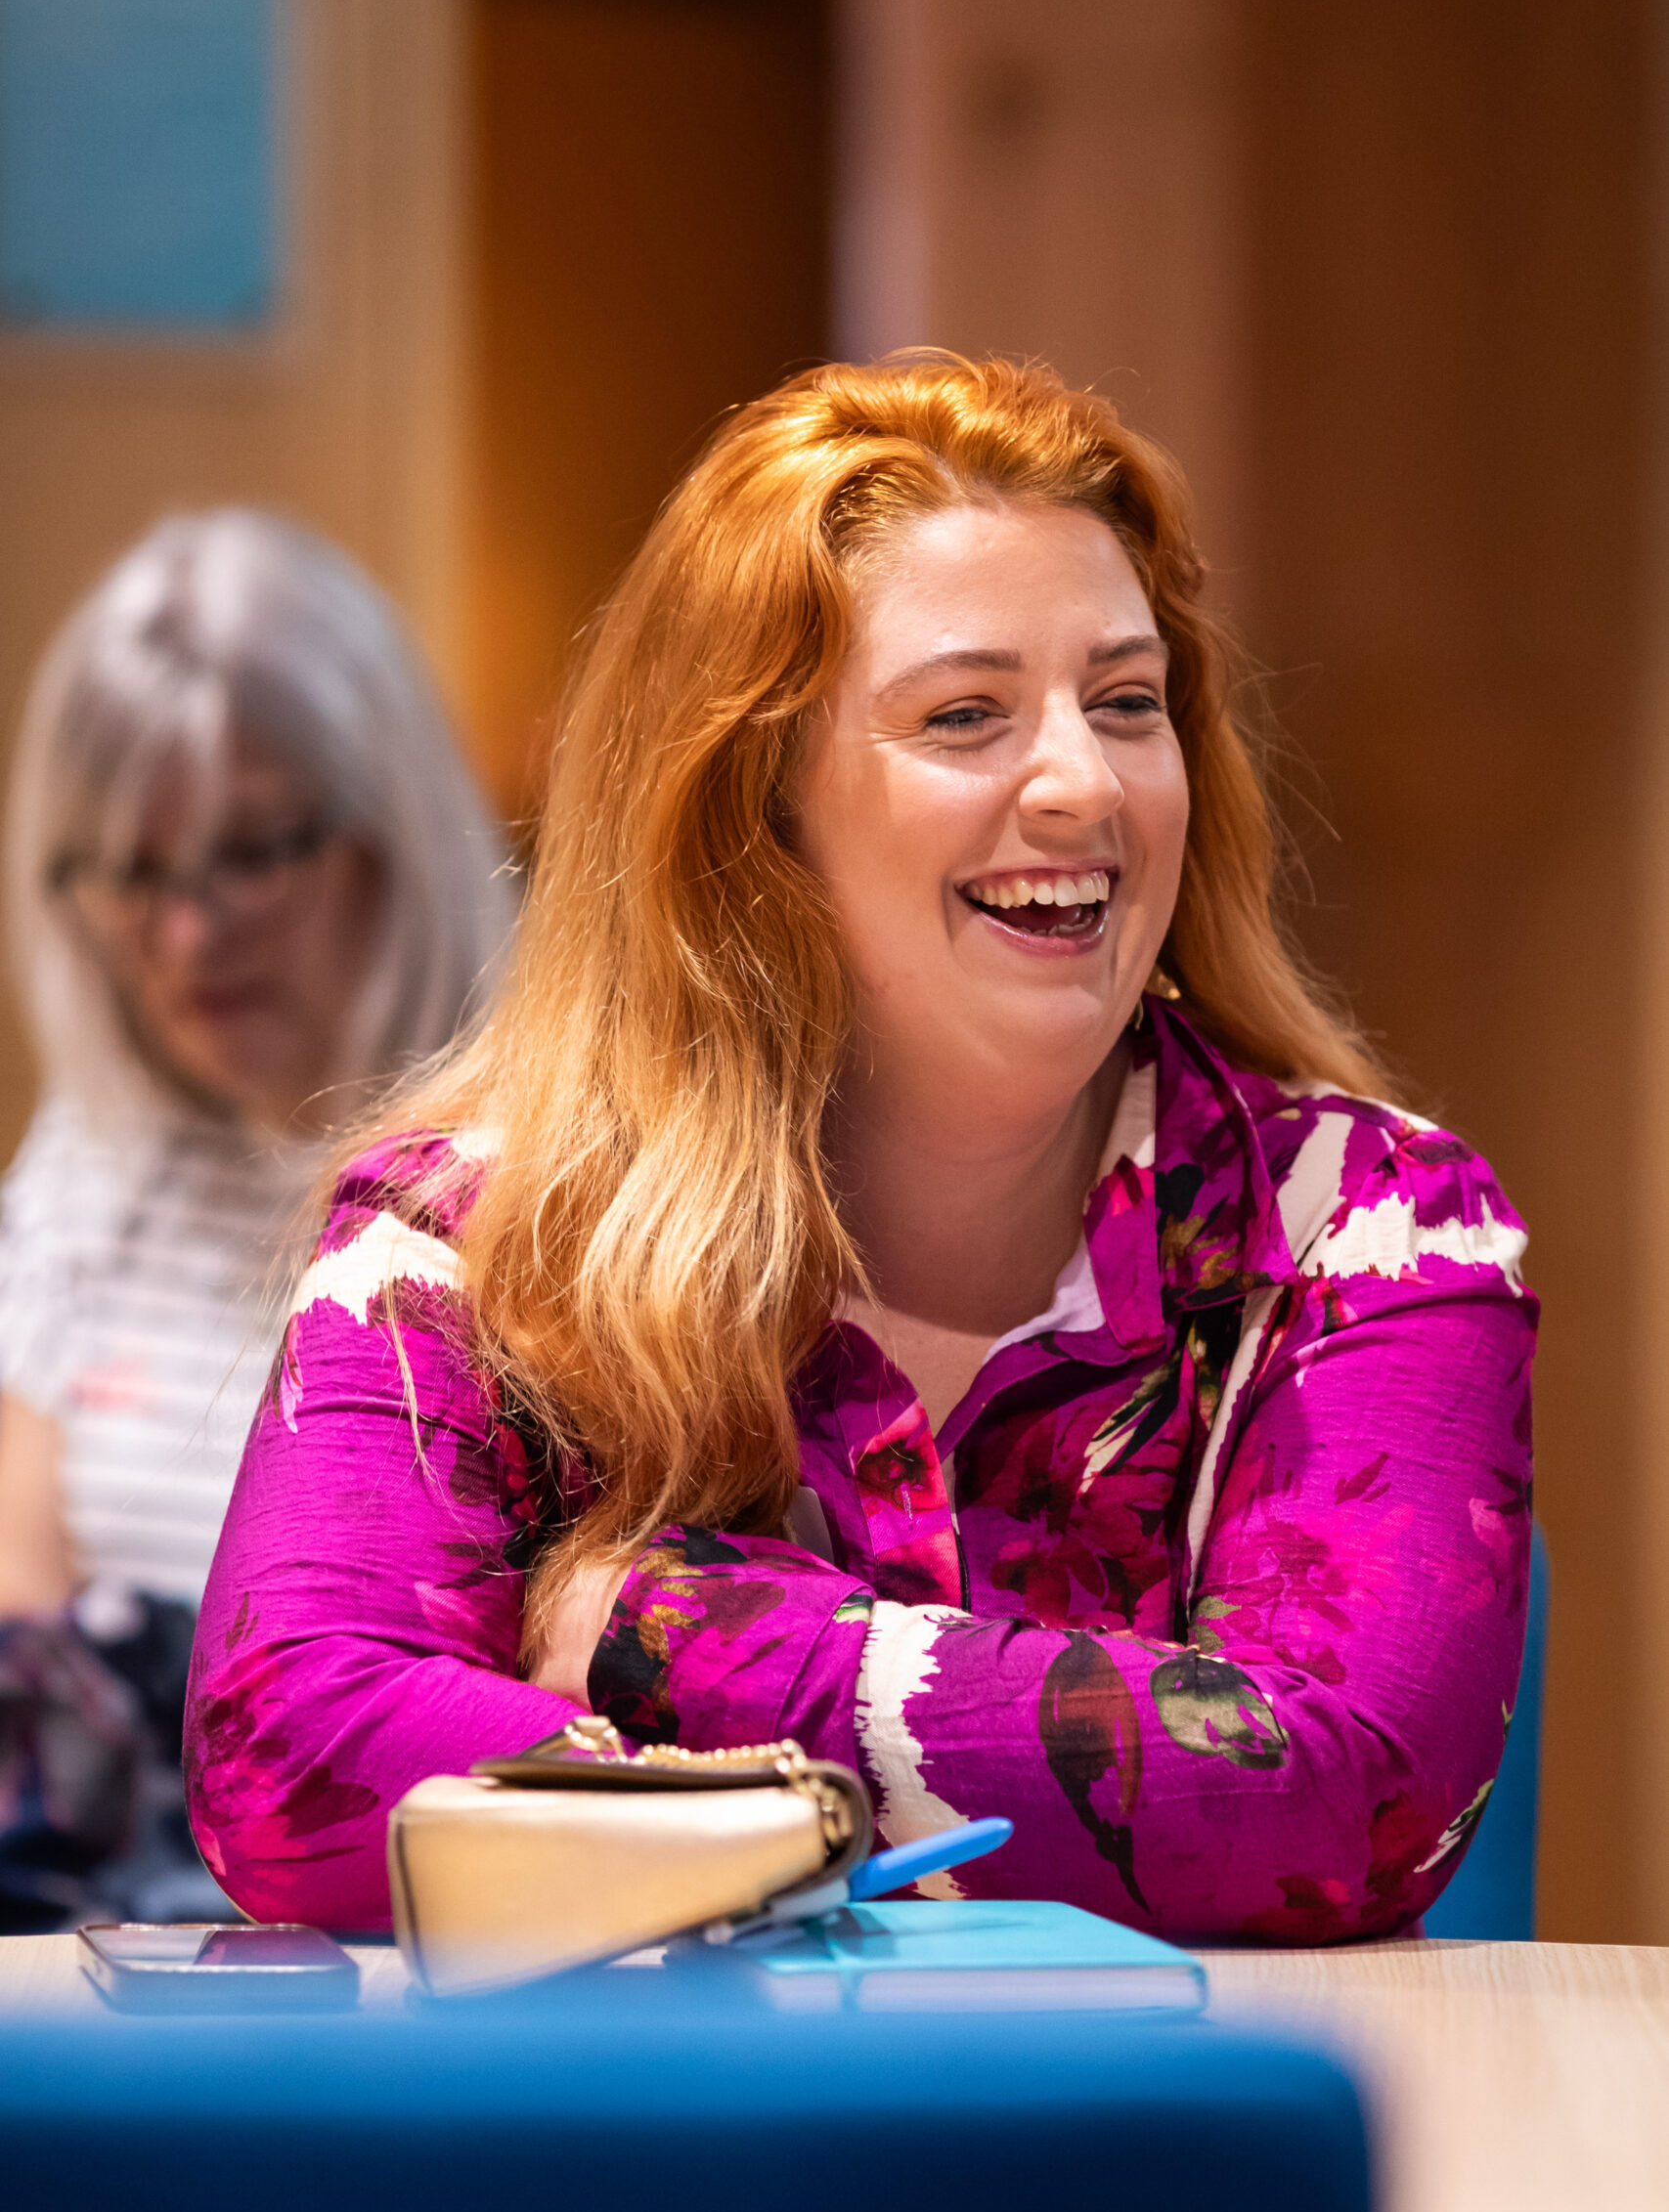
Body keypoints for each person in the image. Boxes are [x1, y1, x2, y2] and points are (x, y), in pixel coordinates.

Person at [187, 359, 1535, 1944]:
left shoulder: (1379, 1228)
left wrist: (671, 1633)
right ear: (756, 814)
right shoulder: (465, 1238)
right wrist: (877, 1812)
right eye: (965, 716)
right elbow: (291, 1756)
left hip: (1149, 2162)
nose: (1083, 783)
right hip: (670, 2163)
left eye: (1125, 702)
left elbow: (1340, 1797)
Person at [0, 510, 512, 1926]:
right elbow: (26, 1650)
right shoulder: (95, 1164)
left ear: (386, 831)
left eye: (247, 855)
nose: (185, 933)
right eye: (130, 872)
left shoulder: (551, 1146)